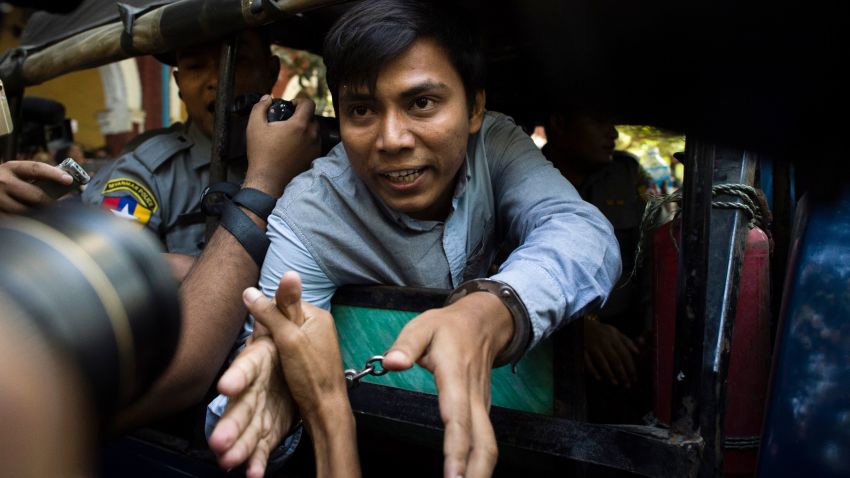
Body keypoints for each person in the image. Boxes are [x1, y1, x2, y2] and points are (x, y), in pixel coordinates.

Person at [208, 1, 621, 477]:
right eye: (361, 109)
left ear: (475, 108)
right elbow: (266, 364)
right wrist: (276, 392)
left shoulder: (495, 143)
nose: (391, 139)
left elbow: (583, 233)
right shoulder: (309, 213)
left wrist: (489, 310)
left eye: (421, 103)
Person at [81, 29, 290, 264]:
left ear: (271, 71)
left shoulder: (309, 158)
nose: (216, 80)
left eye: (238, 61)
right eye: (195, 66)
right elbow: (112, 260)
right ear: (179, 84)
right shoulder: (149, 171)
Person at [543, 106, 654, 423]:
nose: (614, 133)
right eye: (599, 119)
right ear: (559, 122)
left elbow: (647, 261)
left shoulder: (626, 174)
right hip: (550, 334)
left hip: (626, 338)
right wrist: (580, 327)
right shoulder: (519, 180)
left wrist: (651, 330)